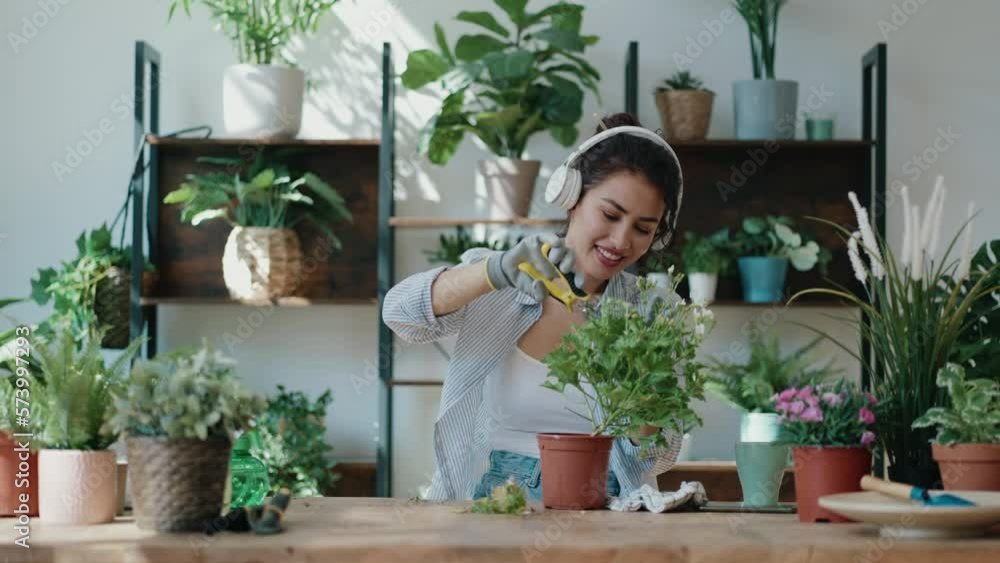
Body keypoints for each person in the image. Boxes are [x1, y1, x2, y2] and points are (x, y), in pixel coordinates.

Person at [383, 112, 685, 501]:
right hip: (490, 507)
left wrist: (642, 374)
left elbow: (661, 456)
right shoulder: (499, 284)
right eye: (610, 215)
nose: (621, 240)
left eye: (643, 228)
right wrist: (494, 271)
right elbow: (400, 316)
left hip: (610, 514)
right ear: (571, 197)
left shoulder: (655, 312)